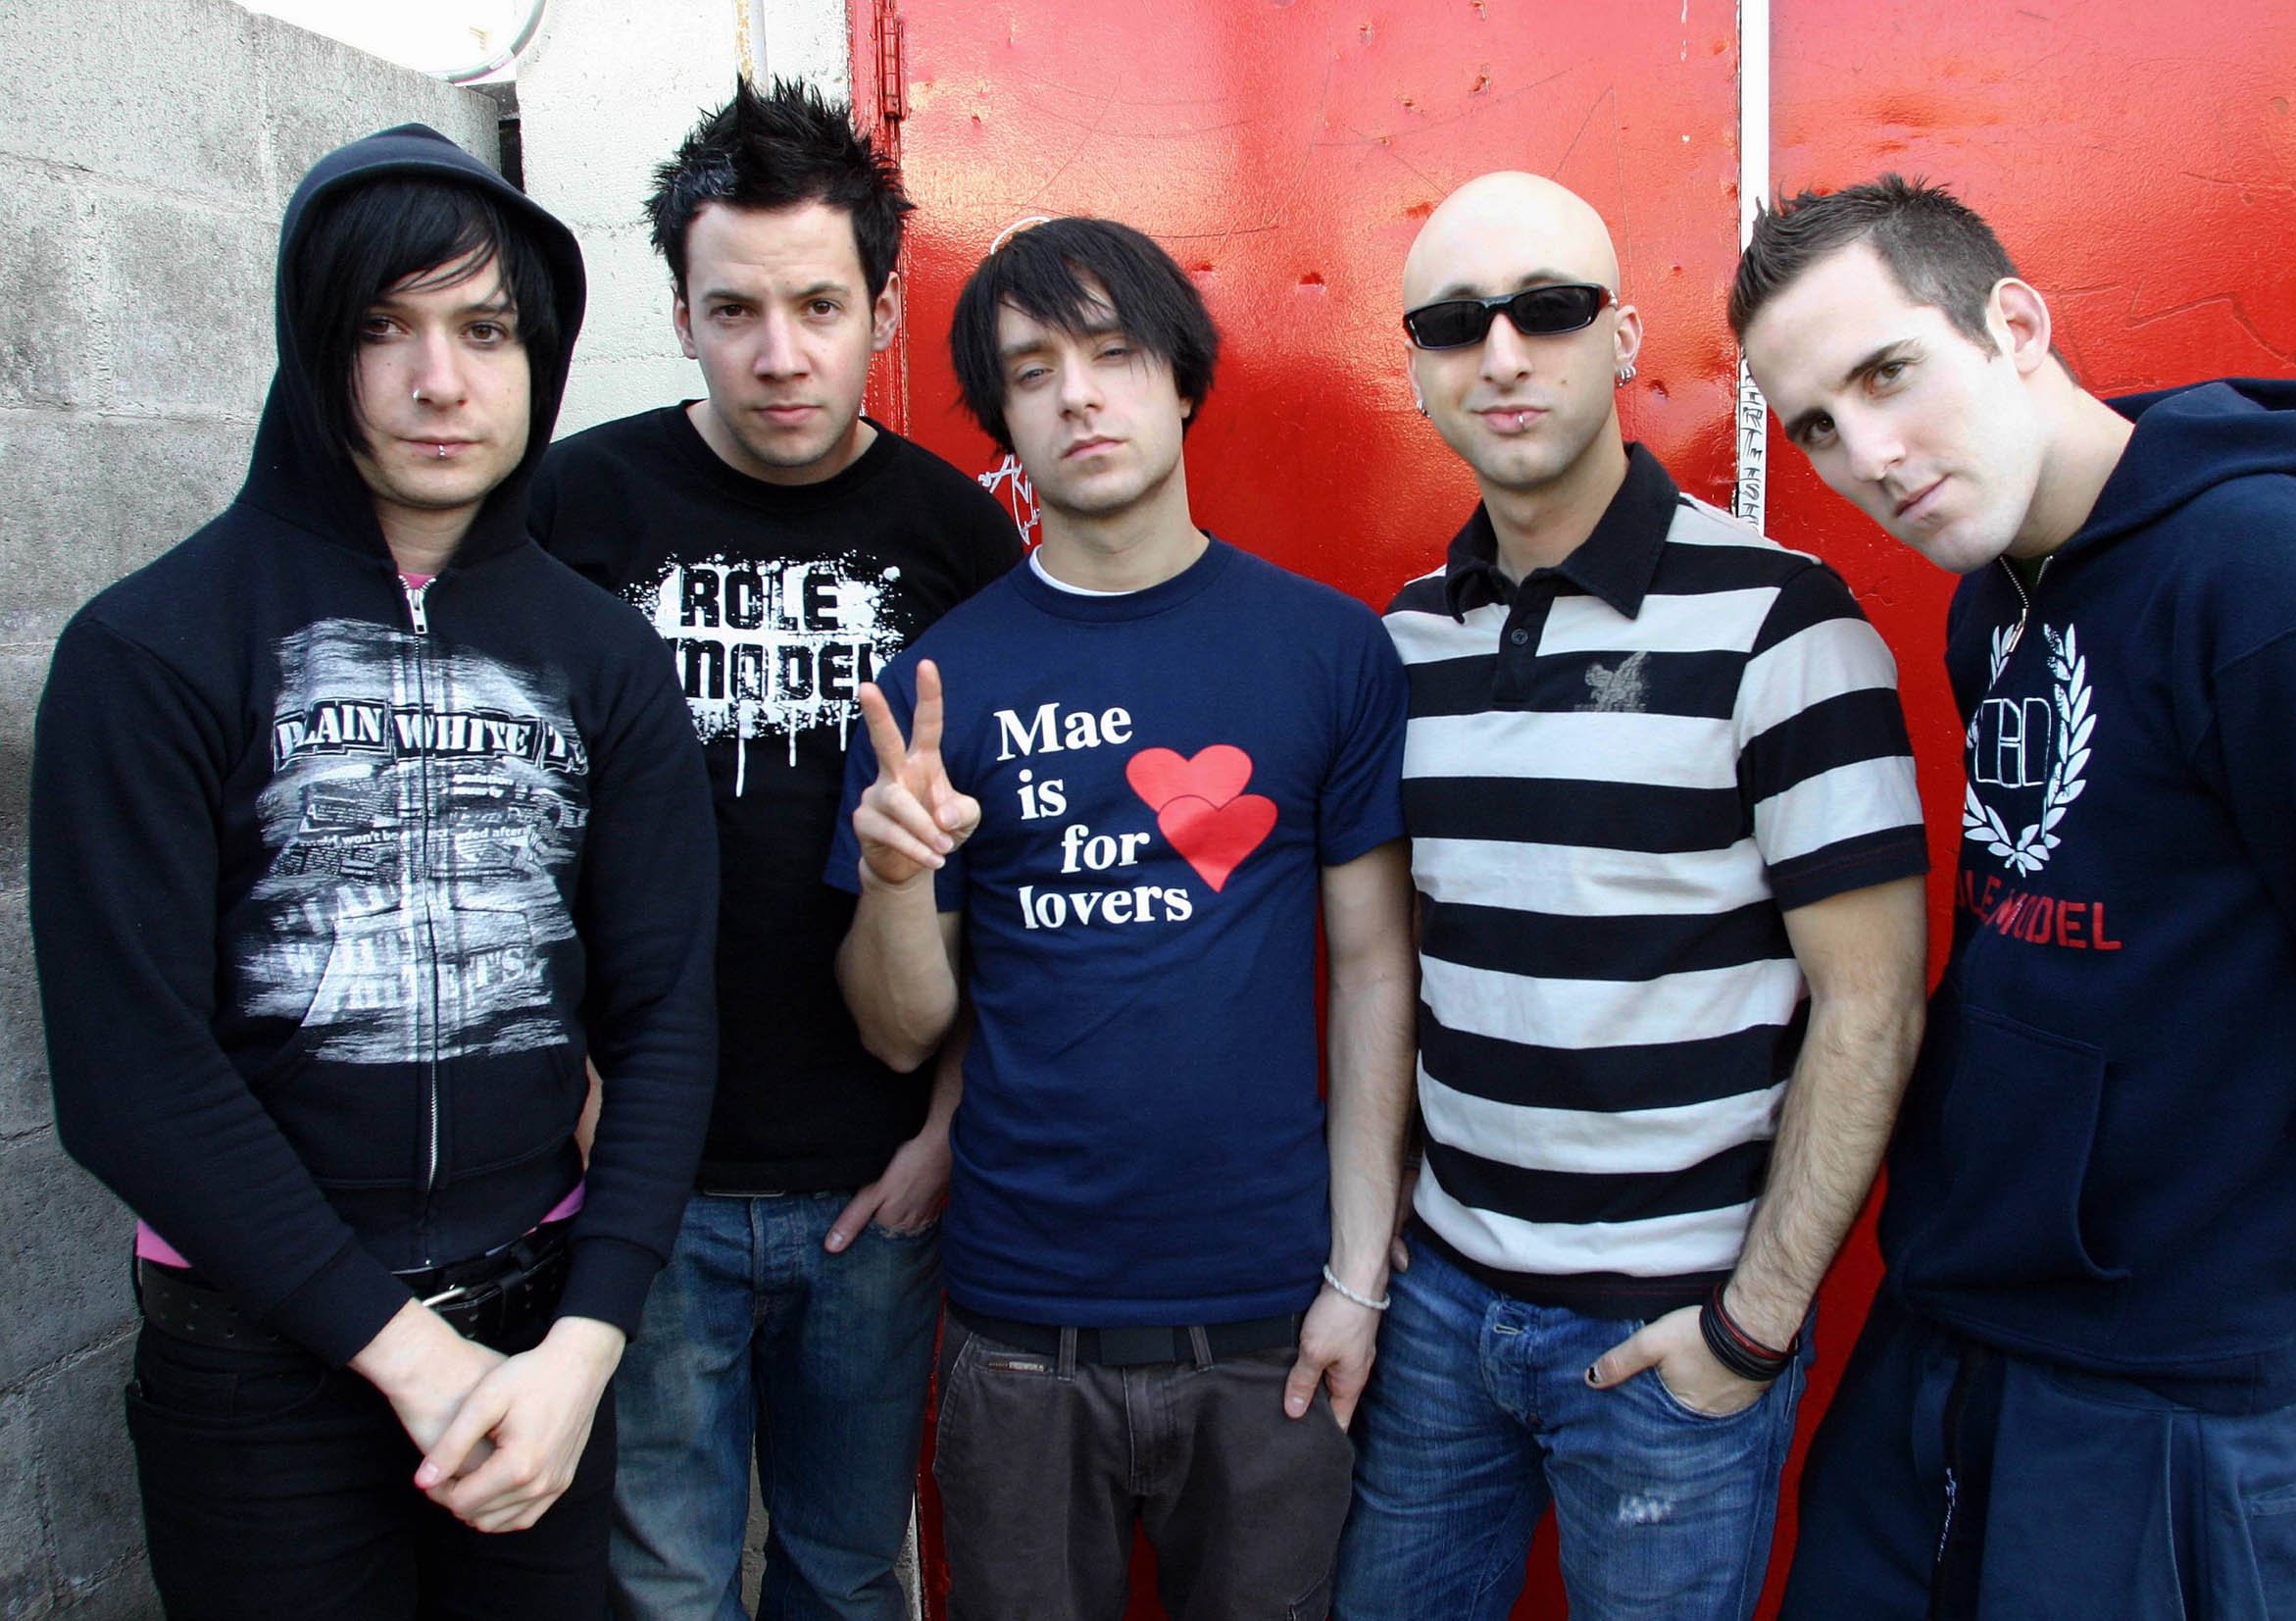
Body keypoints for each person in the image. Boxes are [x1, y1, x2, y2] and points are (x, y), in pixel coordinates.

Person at [26, 125, 719, 1618]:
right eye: (381, 329)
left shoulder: (605, 657)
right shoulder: (149, 649)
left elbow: (667, 1015)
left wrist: (588, 1343)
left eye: (485, 330)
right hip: (256, 1370)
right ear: (310, 346)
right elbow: (130, 1074)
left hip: (540, 1349)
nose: (439, 380)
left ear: (538, 353)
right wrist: (408, 1356)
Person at [1732, 175, 2296, 1617]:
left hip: (2167, 1379)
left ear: (2016, 324)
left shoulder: (2277, 574)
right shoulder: (1992, 591)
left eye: (1886, 373)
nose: (1868, 454)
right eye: (1817, 425)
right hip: (1951, 1326)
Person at [1333, 171, 1931, 1621]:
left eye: (1547, 309)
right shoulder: (1405, 642)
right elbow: (1398, 966)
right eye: (1453, 323)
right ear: (1414, 369)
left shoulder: (1786, 623)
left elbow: (1874, 1007)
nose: (1501, 354)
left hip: (1677, 1336)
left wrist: (1751, 1327)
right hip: (1440, 1310)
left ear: (1623, 338)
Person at [827, 215, 1415, 1620]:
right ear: (1003, 421)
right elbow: (900, 1030)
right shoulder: (935, 691)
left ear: (1182, 375)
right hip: (1023, 1330)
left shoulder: (1328, 650)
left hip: (1272, 1322)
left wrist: (1357, 1275)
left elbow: (1372, 971)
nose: (1079, 395)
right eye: (1033, 371)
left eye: (1113, 352)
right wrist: (899, 879)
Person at [528, 78, 1023, 1621]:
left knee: (846, 1572)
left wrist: (948, 1127)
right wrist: (566, 1087)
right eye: (733, 309)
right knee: (661, 1581)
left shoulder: (957, 538)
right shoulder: (571, 508)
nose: (780, 353)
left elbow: (1012, 881)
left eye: (818, 306)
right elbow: (500, 832)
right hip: (642, 1180)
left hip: (875, 1182)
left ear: (882, 311)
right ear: (679, 315)